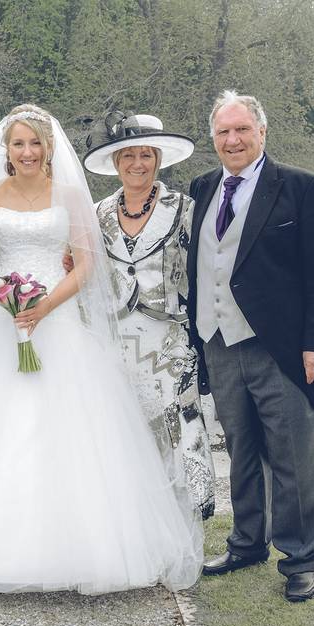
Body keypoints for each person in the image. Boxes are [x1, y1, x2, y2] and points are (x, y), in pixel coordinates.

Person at [0, 104, 204, 595]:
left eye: (34, 143)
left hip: (57, 320)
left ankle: (81, 551)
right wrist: (6, 295)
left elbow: (84, 267)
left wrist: (41, 307)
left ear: (49, 148)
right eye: (18, 143)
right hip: (5, 324)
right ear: (8, 149)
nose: (26, 152)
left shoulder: (69, 196)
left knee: (73, 431)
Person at [186, 90, 314, 602]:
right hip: (219, 342)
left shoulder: (301, 187)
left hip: (280, 347)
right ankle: (247, 542)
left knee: (296, 454)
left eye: (242, 130)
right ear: (214, 139)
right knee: (242, 448)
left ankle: (301, 558)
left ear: (262, 133)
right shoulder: (202, 187)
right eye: (223, 132)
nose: (233, 140)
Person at [83, 111, 215, 518]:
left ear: (158, 159)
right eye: (128, 156)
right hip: (115, 339)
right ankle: (130, 523)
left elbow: (207, 272)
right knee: (123, 430)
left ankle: (185, 520)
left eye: (145, 155)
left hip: (170, 340)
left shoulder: (186, 208)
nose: (137, 164)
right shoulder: (97, 212)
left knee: (177, 427)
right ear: (115, 163)